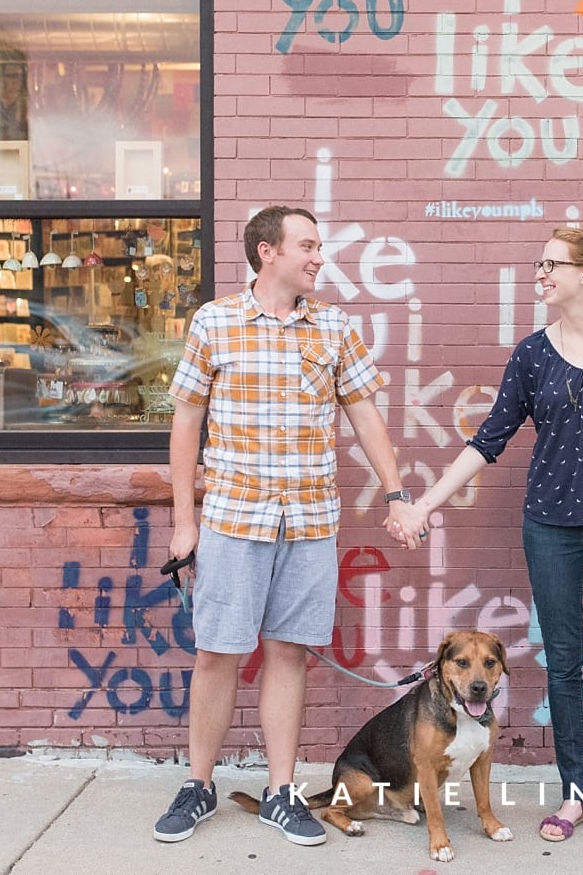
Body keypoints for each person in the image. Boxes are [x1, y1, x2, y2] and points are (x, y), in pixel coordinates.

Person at [391, 226, 583, 854]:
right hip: (550, 524)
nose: (539, 275)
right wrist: (425, 503)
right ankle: (576, 792)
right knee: (562, 664)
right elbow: (488, 439)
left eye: (550, 265)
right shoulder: (532, 354)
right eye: (539, 264)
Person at [154, 204, 419, 846]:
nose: (318, 257)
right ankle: (199, 785)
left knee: (288, 654)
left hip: (308, 522)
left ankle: (280, 791)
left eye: (320, 246)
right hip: (232, 518)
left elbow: (364, 415)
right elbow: (186, 421)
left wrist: (396, 493)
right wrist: (183, 521)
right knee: (218, 652)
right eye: (307, 245)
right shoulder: (214, 322)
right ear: (267, 251)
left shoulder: (332, 328)